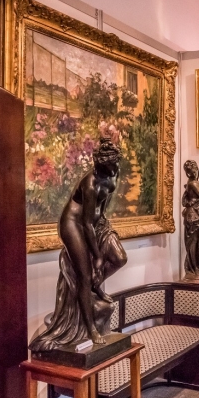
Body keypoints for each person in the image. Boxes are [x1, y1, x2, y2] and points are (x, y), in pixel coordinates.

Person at [29, 136, 127, 352]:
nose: (114, 168)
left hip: (94, 222)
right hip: (73, 224)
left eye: (116, 163)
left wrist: (103, 221)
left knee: (120, 258)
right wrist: (97, 256)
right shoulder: (90, 184)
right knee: (84, 275)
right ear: (101, 164)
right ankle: (91, 328)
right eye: (110, 164)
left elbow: (103, 204)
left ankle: (94, 285)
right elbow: (86, 223)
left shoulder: (114, 171)